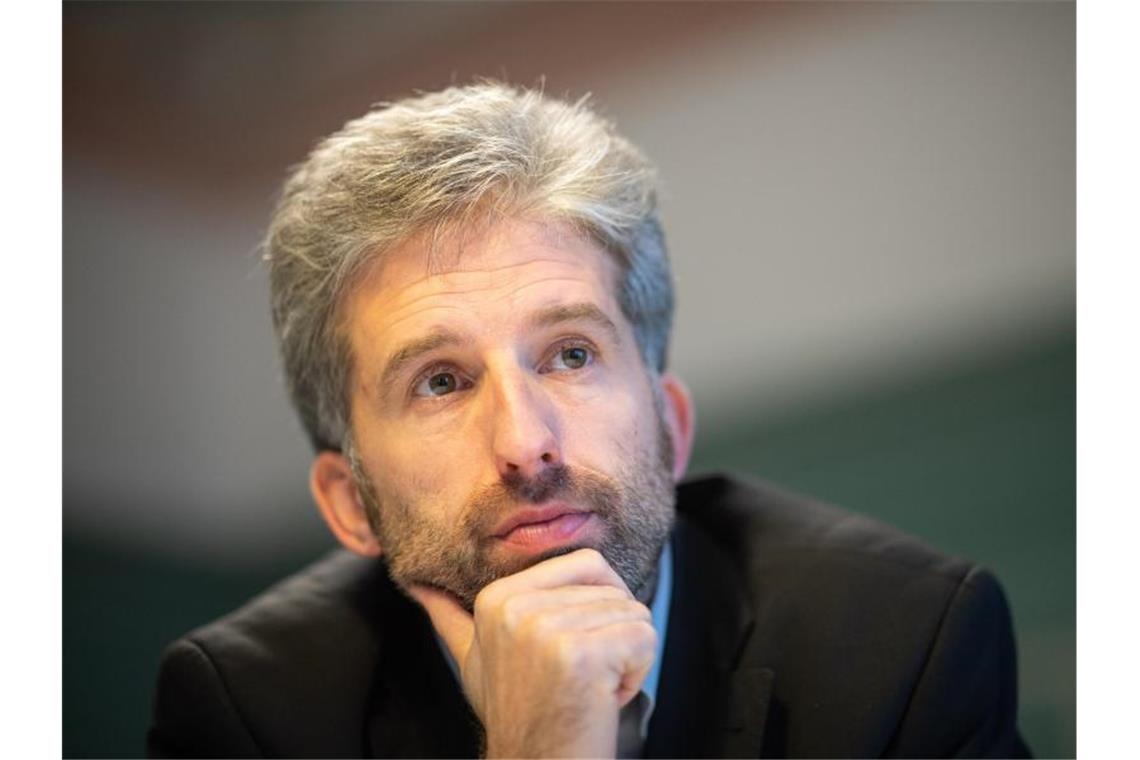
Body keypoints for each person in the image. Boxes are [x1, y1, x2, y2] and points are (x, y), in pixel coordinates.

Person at [147, 82, 1030, 758]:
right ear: (349, 503)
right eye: (441, 381)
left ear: (670, 427)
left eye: (571, 354)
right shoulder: (251, 712)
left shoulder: (902, 646)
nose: (526, 444)